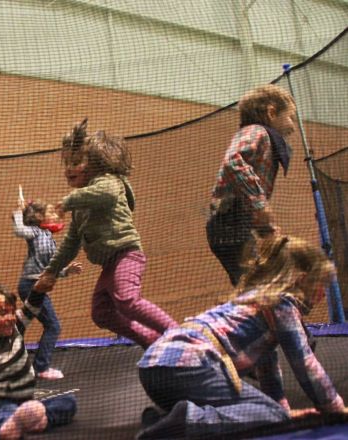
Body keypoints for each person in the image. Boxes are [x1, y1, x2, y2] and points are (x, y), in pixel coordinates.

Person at [137, 235, 347, 439]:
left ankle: (160, 421)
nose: (322, 294)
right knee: (271, 414)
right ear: (301, 279)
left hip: (152, 370)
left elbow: (268, 368)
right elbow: (304, 363)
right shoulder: (282, 304)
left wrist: (282, 413)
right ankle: (187, 420)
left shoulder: (251, 301)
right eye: (320, 284)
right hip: (188, 367)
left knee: (273, 413)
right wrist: (335, 408)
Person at [35, 118, 177, 349]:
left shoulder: (109, 182)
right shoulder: (81, 207)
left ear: (95, 164)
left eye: (76, 162)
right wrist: (51, 272)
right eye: (66, 163)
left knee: (127, 299)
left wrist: (66, 202)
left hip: (126, 255)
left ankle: (177, 332)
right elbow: (70, 244)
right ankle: (150, 339)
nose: (69, 168)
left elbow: (106, 193)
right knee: (101, 313)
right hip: (109, 265)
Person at [0, 283, 77, 440]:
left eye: (12, 312)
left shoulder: (15, 330)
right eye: (3, 313)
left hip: (26, 402)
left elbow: (31, 307)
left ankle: (33, 421)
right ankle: (10, 425)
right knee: (4, 411)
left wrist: (39, 289)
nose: (11, 317)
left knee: (68, 402)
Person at [206, 84, 297, 286]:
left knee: (258, 279)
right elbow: (233, 161)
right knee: (257, 283)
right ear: (271, 112)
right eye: (290, 117)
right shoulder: (256, 131)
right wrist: (260, 204)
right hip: (229, 221)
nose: (293, 126)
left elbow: (250, 204)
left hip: (237, 222)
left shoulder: (266, 140)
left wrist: (268, 230)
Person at [12, 198, 82, 380]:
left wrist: (66, 271)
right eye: (50, 212)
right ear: (38, 216)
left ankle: (10, 359)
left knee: (21, 325)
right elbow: (19, 230)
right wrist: (19, 211)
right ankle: (41, 367)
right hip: (31, 285)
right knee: (53, 326)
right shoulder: (35, 232)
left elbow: (51, 268)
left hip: (39, 285)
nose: (55, 215)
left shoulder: (48, 237)